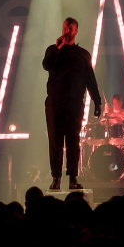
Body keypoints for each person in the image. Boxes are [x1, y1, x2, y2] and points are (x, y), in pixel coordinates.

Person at [43, 17, 102, 190]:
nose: (67, 31)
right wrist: (57, 48)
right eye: (65, 28)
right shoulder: (53, 50)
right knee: (55, 140)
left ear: (76, 31)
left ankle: (73, 178)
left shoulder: (83, 54)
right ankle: (56, 178)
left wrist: (97, 101)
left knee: (73, 140)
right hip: (54, 101)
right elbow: (46, 65)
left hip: (75, 102)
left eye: (70, 29)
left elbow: (90, 79)